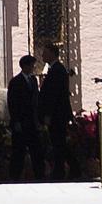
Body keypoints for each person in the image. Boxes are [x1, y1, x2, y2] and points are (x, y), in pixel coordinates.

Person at [38, 40, 74, 180]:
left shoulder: (57, 70)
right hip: (57, 114)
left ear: (52, 54)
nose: (42, 56)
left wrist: (48, 114)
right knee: (59, 143)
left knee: (59, 143)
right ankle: (67, 168)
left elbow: (54, 95)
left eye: (45, 53)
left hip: (57, 115)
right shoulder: (55, 69)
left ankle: (61, 170)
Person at [6, 54, 44, 180]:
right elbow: (12, 103)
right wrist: (16, 121)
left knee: (36, 150)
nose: (33, 67)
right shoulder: (15, 82)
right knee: (18, 151)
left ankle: (39, 175)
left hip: (32, 122)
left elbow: (36, 99)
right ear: (25, 66)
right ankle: (14, 176)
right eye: (31, 65)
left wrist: (38, 119)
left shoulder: (33, 80)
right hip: (21, 122)